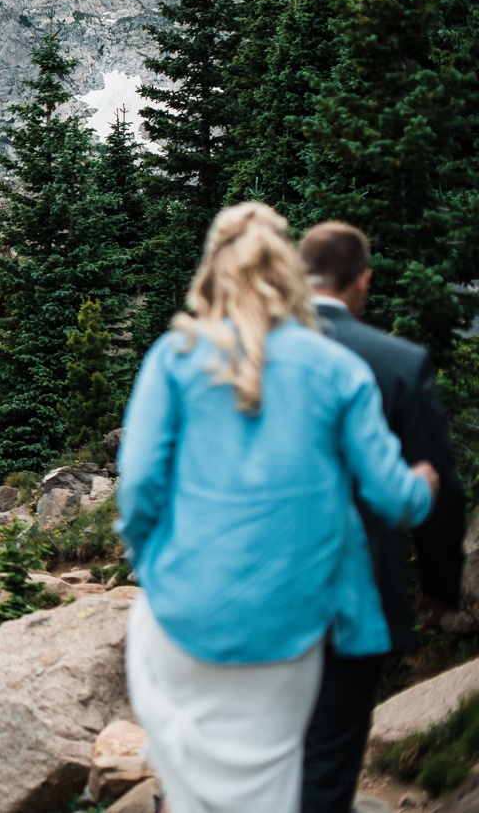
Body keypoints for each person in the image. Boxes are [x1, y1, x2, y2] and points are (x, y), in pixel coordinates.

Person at [116, 202, 439, 813]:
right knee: (274, 783)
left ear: (214, 271)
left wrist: (153, 563)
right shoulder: (337, 368)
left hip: (184, 615)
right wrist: (424, 483)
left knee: (191, 794)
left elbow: (138, 490)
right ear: (289, 273)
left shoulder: (175, 356)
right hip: (293, 623)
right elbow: (391, 496)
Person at [298, 222, 466, 813]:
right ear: (363, 281)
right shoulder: (397, 361)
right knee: (329, 759)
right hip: (356, 589)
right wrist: (440, 587)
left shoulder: (246, 359)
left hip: (252, 591)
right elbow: (436, 483)